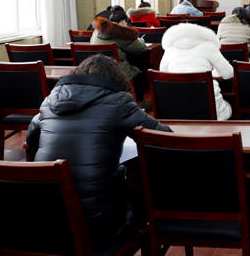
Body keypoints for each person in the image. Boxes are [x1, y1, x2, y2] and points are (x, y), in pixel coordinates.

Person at [26, 55, 172, 247]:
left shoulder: (49, 101)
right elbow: (163, 138)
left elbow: (30, 141)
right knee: (144, 197)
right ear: (117, 79)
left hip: (48, 222)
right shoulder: (119, 101)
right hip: (99, 226)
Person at [160, 23, 234, 120]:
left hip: (177, 107)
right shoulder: (209, 46)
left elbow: (163, 73)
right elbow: (229, 74)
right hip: (207, 107)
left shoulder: (170, 49)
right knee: (229, 106)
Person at [90, 15, 147, 105]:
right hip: (116, 71)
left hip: (97, 70)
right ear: (123, 22)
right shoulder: (122, 34)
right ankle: (140, 102)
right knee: (140, 72)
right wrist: (141, 41)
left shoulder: (96, 32)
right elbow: (140, 49)